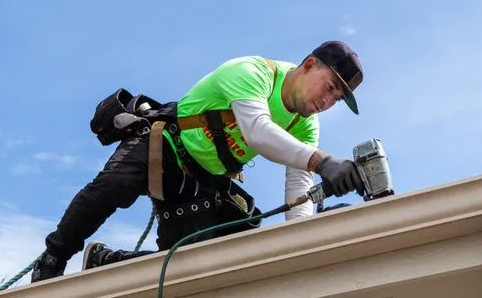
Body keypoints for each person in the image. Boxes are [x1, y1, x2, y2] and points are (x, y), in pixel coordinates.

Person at [30, 40, 366, 282]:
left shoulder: (307, 125)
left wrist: (301, 242)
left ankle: (108, 261)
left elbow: (298, 189)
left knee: (192, 272)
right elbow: (257, 132)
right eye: (330, 86)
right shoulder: (252, 72)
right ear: (309, 65)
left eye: (337, 97)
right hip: (166, 143)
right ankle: (54, 256)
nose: (328, 100)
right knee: (111, 187)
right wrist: (323, 162)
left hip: (202, 180)